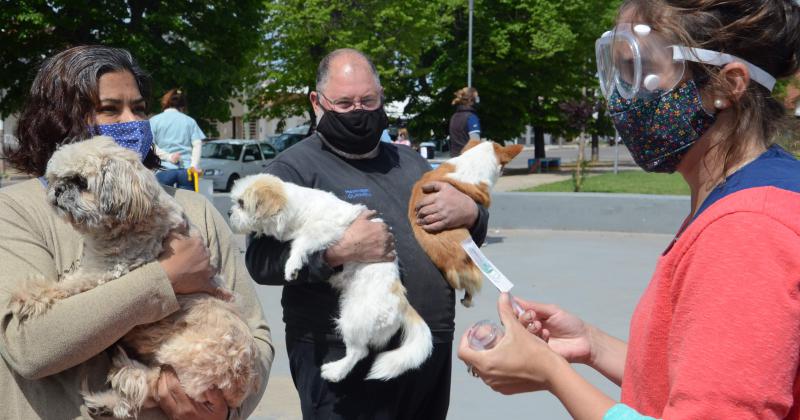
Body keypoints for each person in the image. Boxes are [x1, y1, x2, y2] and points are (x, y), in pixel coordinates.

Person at [458, 1, 800, 419]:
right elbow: (699, 383)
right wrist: (592, 344)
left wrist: (552, 375)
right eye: (617, 72)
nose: (621, 98)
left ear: (727, 86)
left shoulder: (747, 231)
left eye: (635, 72)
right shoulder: (755, 192)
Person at [0, 45, 274, 420]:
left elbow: (256, 335)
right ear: (60, 119)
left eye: (140, 109)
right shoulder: (15, 212)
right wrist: (165, 279)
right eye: (109, 109)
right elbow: (29, 347)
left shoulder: (194, 211)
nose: (131, 121)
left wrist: (222, 408)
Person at [245, 48, 489, 419]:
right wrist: (336, 252)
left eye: (368, 100)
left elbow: (455, 237)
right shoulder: (292, 170)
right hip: (344, 361)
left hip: (426, 350)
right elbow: (260, 261)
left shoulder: (411, 163)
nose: (358, 111)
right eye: (344, 103)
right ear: (317, 102)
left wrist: (473, 214)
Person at [150, 88, 206, 190]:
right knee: (189, 204)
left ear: (165, 103)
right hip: (186, 172)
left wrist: (169, 157)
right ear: (183, 106)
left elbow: (150, 145)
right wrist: (193, 166)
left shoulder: (154, 121)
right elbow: (197, 145)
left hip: (163, 170)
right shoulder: (190, 121)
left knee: (162, 205)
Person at [448, 86, 481, 157]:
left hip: (454, 158)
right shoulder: (471, 118)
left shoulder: (454, 116)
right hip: (467, 160)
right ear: (471, 99)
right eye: (477, 97)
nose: (478, 100)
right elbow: (475, 141)